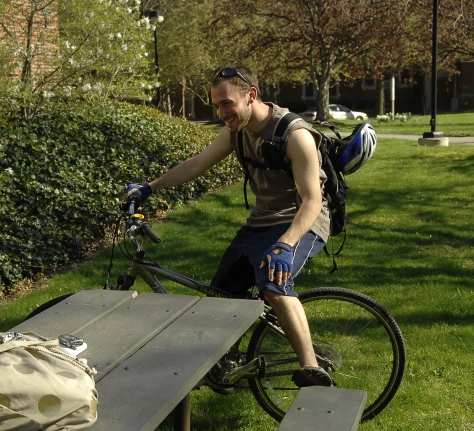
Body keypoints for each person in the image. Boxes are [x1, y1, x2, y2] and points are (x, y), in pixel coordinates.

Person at [125, 66, 333, 388]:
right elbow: (196, 164)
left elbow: (312, 200)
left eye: (227, 104)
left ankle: (311, 368)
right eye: (217, 106)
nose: (222, 113)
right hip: (261, 222)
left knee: (272, 282)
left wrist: (287, 243)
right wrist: (150, 187)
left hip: (301, 222)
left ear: (251, 95)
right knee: (220, 296)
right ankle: (227, 364)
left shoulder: (295, 136)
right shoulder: (236, 132)